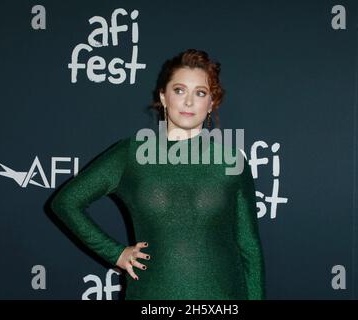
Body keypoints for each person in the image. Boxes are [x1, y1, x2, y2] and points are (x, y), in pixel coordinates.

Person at [50, 48, 266, 300]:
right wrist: (116, 253)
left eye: (200, 93)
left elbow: (249, 247)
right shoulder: (131, 154)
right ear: (163, 97)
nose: (188, 102)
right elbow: (65, 203)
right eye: (179, 90)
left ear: (211, 103)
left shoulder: (231, 160)